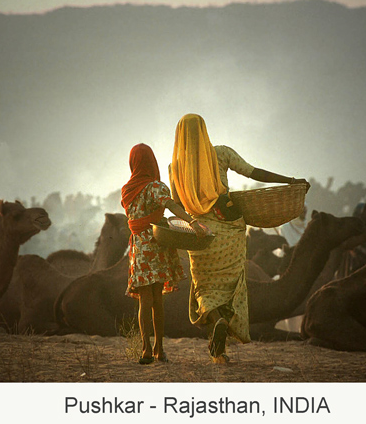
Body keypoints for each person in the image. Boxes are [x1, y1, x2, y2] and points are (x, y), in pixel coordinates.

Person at [169, 113, 308, 362]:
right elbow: (254, 173)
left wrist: (183, 226)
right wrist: (289, 181)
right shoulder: (222, 153)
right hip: (231, 230)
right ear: (204, 130)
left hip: (202, 235)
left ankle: (217, 324)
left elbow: (177, 204)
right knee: (230, 286)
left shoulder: (175, 167)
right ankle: (219, 348)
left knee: (204, 288)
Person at [121, 143, 207, 364]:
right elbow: (171, 206)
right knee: (157, 299)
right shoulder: (155, 187)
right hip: (157, 245)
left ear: (133, 163)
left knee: (144, 300)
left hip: (139, 247)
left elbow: (134, 219)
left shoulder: (127, 190)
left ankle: (145, 349)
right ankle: (160, 349)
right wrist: (192, 222)